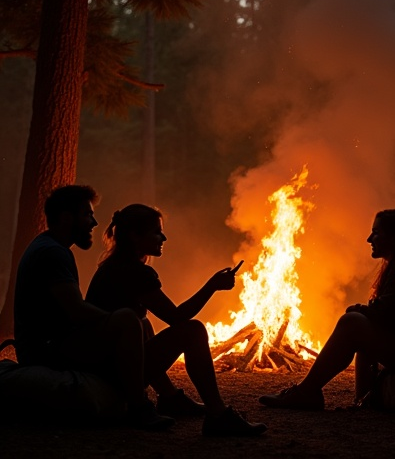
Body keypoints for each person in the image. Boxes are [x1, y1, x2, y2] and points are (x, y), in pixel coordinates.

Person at [85, 203, 267, 437]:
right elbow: (177, 317)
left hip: (104, 366)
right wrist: (211, 287)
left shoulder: (114, 266)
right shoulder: (133, 272)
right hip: (111, 376)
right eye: (156, 232)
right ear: (135, 236)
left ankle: (170, 398)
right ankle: (218, 414)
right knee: (193, 331)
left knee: (144, 324)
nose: (164, 237)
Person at [259, 209, 395, 410]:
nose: (369, 239)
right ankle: (364, 399)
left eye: (376, 233)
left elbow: (388, 316)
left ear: (394, 237)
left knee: (352, 323)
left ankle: (307, 393)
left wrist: (360, 310)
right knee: (360, 325)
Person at [13, 185, 173, 429]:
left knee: (139, 323)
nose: (94, 223)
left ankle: (169, 396)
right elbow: (76, 310)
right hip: (46, 351)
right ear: (67, 217)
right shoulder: (53, 253)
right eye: (87, 215)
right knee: (130, 321)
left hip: (52, 343)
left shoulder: (52, 248)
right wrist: (120, 325)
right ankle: (139, 408)